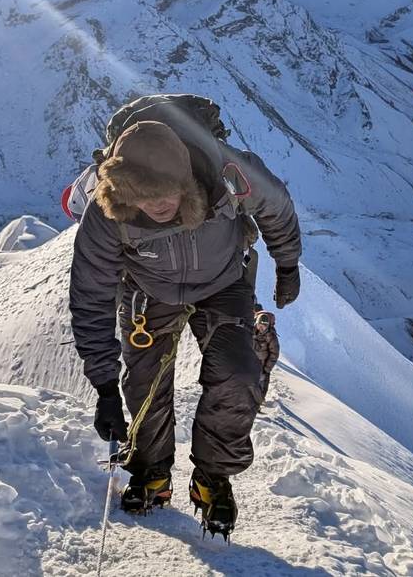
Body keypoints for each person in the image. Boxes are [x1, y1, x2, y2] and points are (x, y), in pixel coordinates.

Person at [69, 97, 301, 539]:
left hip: (223, 282)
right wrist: (102, 385)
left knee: (237, 375)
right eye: (143, 198)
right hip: (147, 288)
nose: (156, 207)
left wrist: (287, 264)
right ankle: (150, 471)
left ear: (187, 181)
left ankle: (213, 475)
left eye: (165, 195)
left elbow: (277, 206)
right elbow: (89, 294)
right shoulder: (107, 211)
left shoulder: (227, 175)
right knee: (143, 384)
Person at [253, 310, 280, 400]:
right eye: (259, 325)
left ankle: (257, 403)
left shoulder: (271, 336)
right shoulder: (250, 330)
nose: (261, 328)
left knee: (260, 384)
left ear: (267, 326)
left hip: (262, 365)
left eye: (264, 326)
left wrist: (266, 369)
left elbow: (274, 354)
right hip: (248, 361)